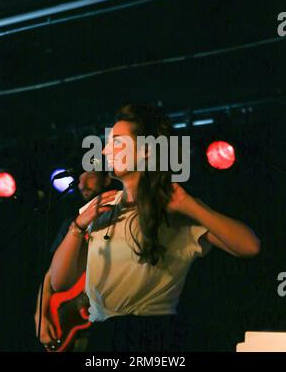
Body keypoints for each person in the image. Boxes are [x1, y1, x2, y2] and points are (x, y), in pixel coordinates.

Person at [50, 103, 261, 352]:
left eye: (117, 142)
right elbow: (59, 281)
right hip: (104, 337)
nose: (106, 150)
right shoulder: (99, 209)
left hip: (156, 336)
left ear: (146, 151)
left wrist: (190, 206)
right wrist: (77, 226)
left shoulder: (177, 208)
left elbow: (250, 246)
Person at [34, 170, 116, 351]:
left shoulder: (121, 218)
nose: (82, 183)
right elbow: (51, 274)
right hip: (80, 320)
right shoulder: (71, 222)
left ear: (107, 179)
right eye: (79, 178)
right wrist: (40, 315)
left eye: (90, 176)